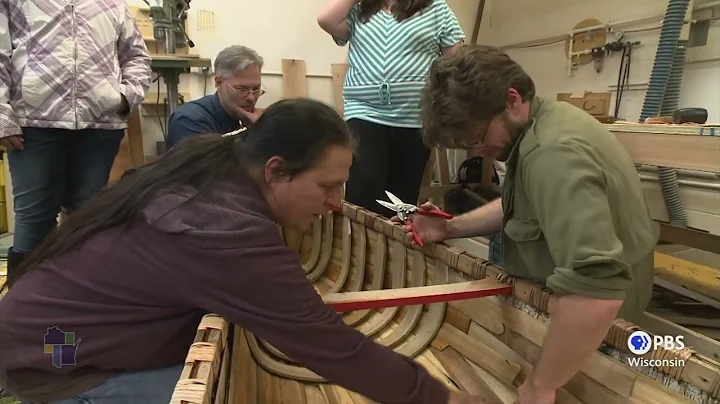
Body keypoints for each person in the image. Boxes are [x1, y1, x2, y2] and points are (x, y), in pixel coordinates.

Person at [0, 98, 480, 404]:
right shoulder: (226, 228)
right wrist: (438, 398)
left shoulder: (214, 167)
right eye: (328, 187)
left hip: (42, 331)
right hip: (54, 358)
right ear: (275, 171)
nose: (337, 205)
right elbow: (328, 344)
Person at [403, 44, 659, 404]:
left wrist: (542, 384)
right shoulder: (543, 123)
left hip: (597, 324)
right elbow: (521, 208)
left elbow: (597, 292)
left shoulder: (553, 154)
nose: (478, 151)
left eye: (477, 137)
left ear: (511, 100)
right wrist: (449, 228)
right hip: (578, 305)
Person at [0, 0, 152, 290]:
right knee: (35, 217)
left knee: (89, 216)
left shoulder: (113, 4)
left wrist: (123, 96)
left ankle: (79, 306)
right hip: (35, 123)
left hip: (100, 125)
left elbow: (136, 57)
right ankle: (26, 312)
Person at [317, 0, 465, 218]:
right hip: (364, 114)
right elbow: (325, 19)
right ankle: (362, 251)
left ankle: (394, 251)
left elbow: (457, 60)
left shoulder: (435, 7)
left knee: (402, 203)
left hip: (414, 120)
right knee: (363, 196)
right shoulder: (360, 9)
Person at [165, 45, 265, 149]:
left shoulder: (241, 117)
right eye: (242, 89)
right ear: (218, 82)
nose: (252, 98)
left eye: (256, 89)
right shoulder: (189, 121)